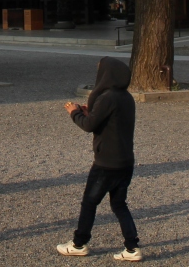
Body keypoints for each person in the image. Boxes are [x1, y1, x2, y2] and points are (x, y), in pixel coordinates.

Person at [58, 57, 140, 262]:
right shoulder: (126, 97)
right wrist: (90, 113)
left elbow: (89, 126)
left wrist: (75, 113)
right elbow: (109, 122)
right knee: (119, 204)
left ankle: (79, 244)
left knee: (89, 202)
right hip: (125, 161)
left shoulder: (107, 97)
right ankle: (132, 247)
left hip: (106, 163)